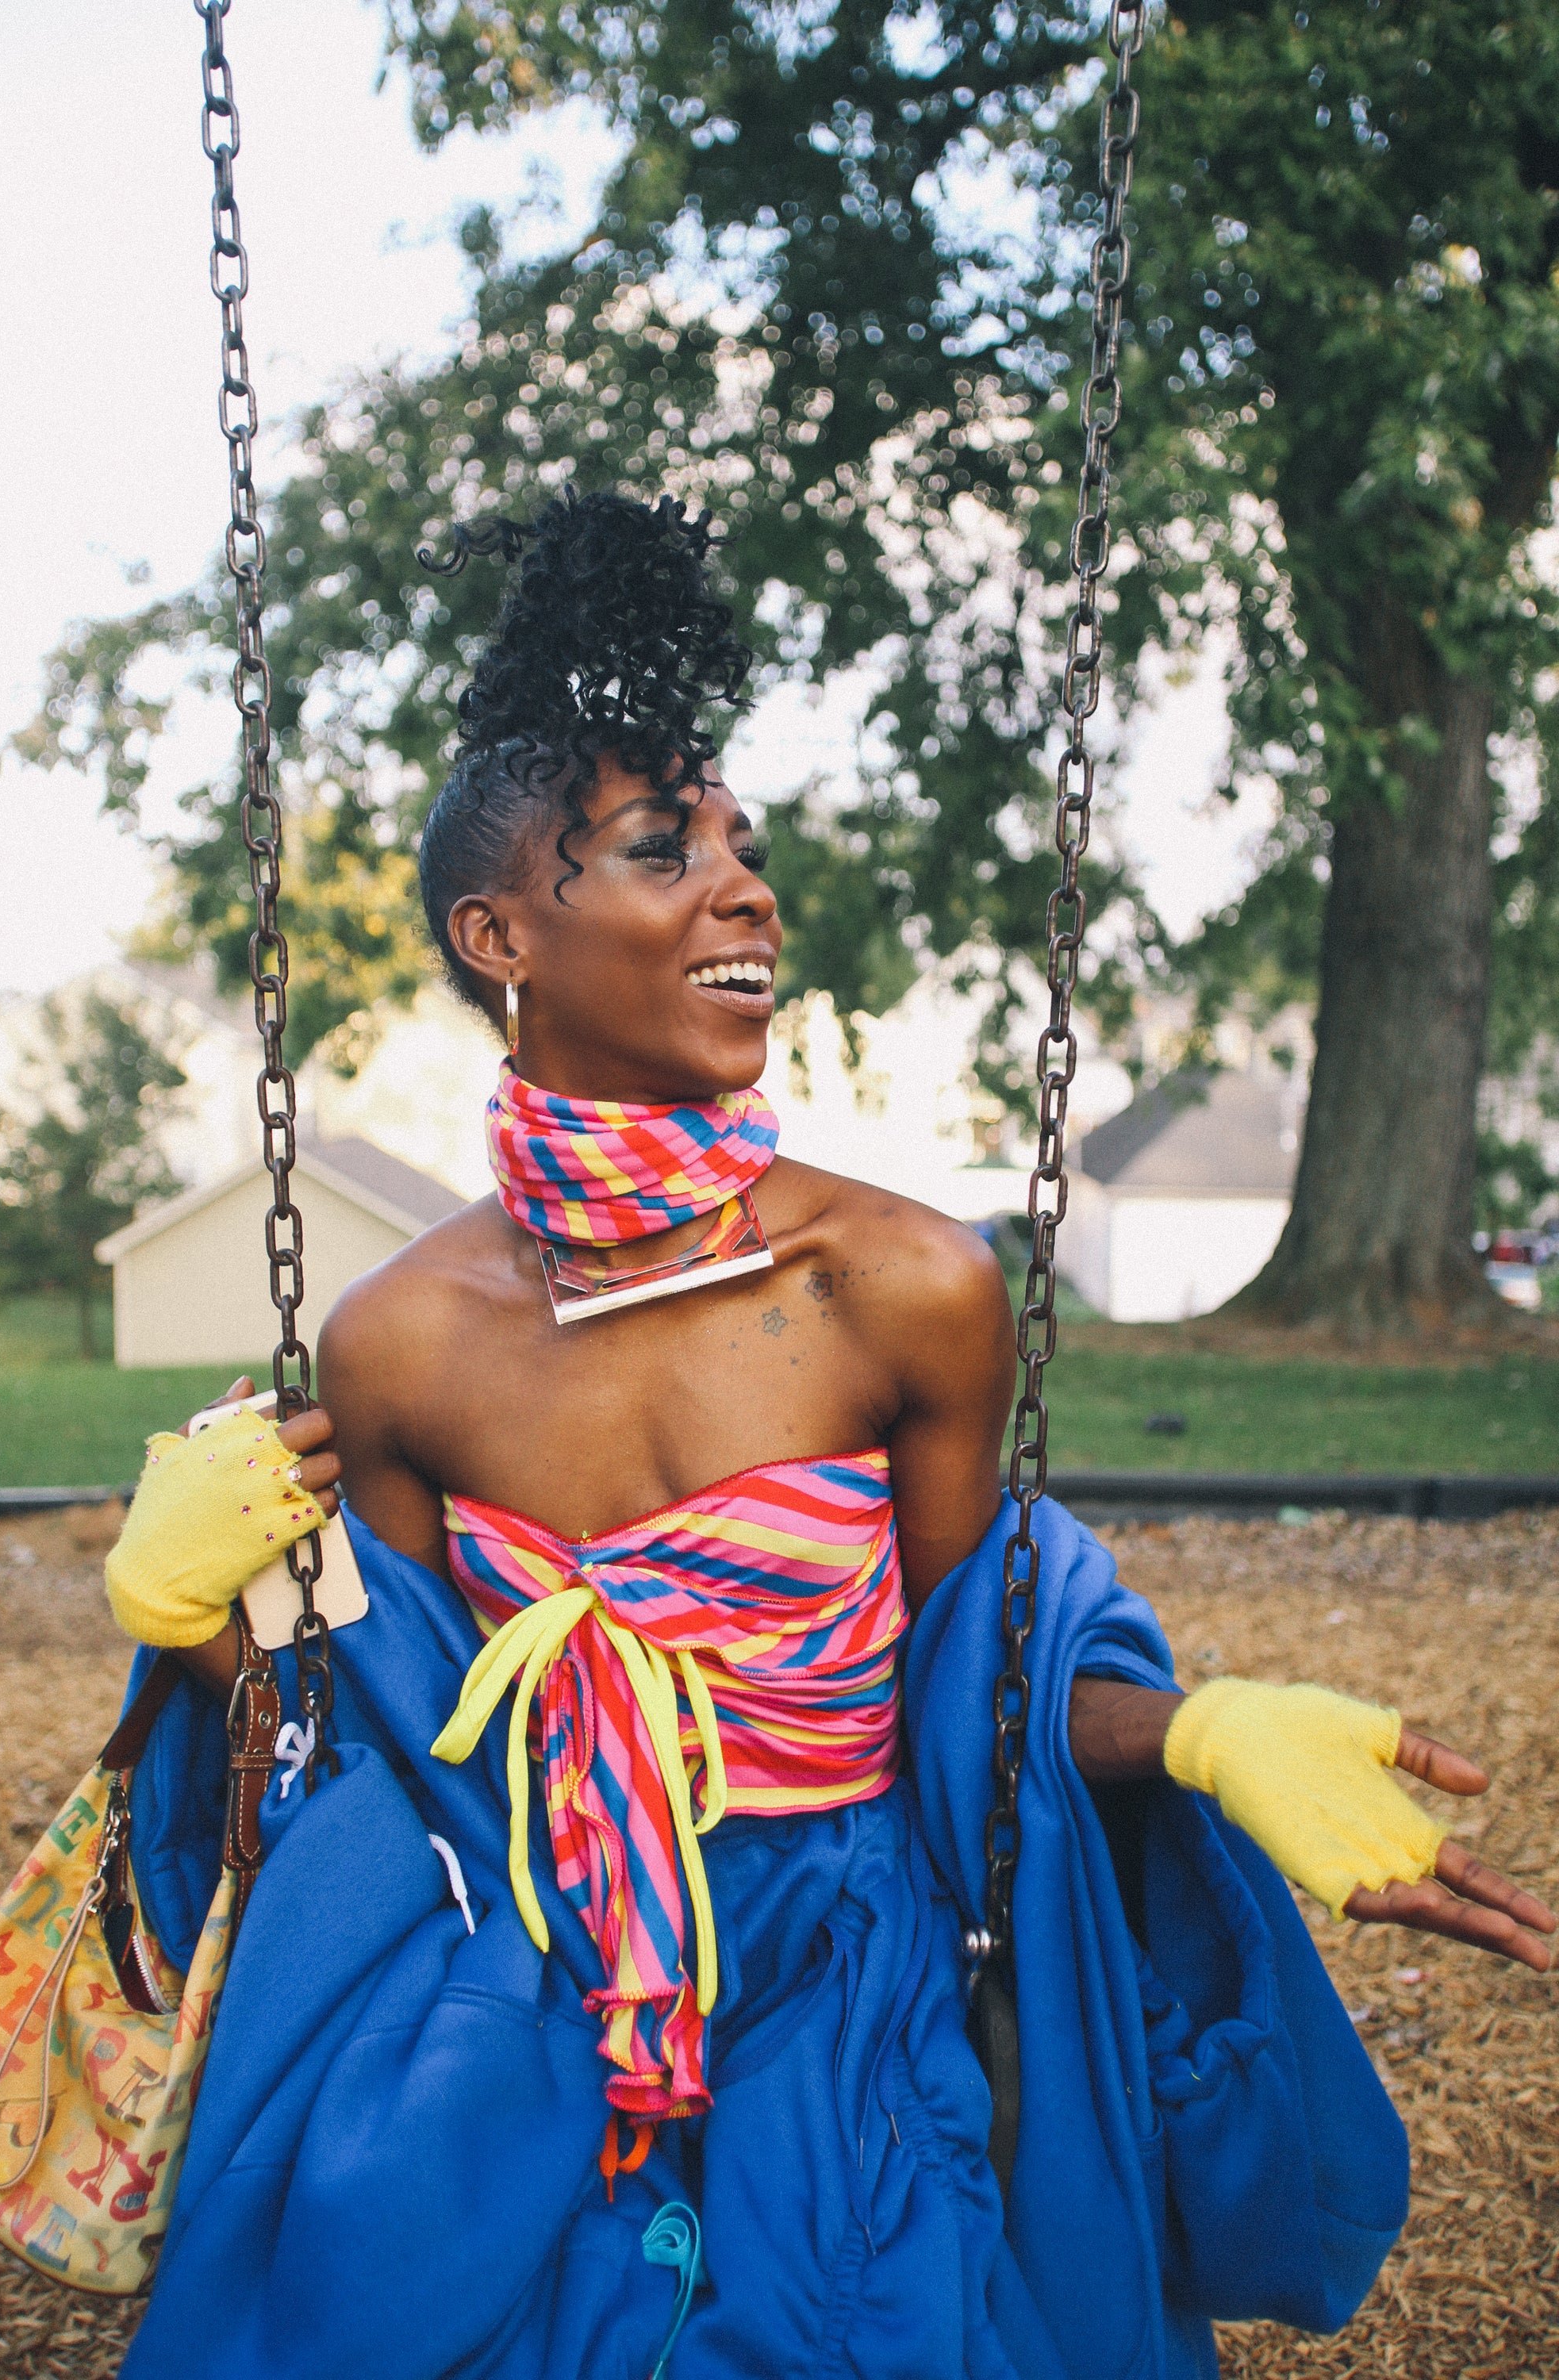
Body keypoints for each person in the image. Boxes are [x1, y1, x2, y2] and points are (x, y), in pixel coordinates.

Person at [100, 494, 1550, 2380]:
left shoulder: (902, 1283)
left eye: (744, 850)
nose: (747, 890)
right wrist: (193, 1616)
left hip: (838, 1976)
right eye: (659, 850)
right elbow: (377, 1758)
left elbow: (977, 1683)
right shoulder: (397, 1349)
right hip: (540, 1971)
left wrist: (1193, 1728)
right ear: (500, 934)